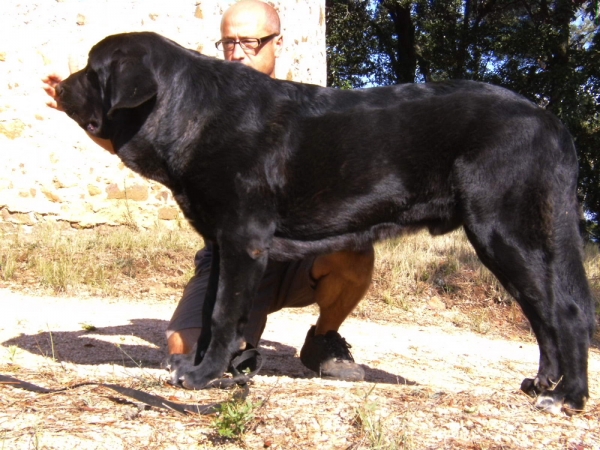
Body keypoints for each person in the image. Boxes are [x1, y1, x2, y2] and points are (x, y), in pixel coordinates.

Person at [44, 0, 374, 382]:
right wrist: (83, 108)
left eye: (249, 42)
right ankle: (235, 344)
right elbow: (144, 145)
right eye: (228, 43)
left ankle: (323, 338)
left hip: (302, 257)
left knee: (354, 246)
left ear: (277, 44)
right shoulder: (205, 101)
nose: (237, 53)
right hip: (231, 259)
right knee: (185, 346)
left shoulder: (317, 106)